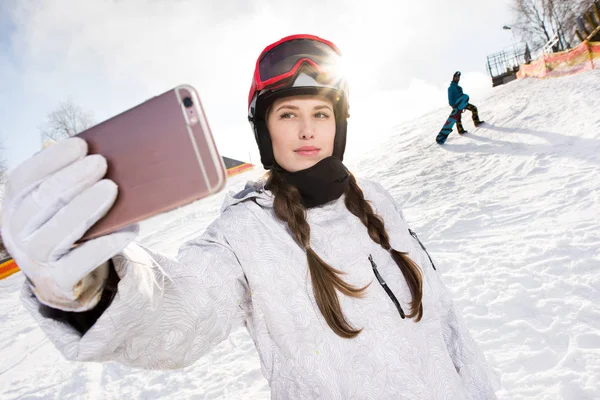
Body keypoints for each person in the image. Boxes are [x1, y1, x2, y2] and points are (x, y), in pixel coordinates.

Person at [1, 34, 498, 399]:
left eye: (320, 113)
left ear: (339, 125)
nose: (307, 129)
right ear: (265, 131)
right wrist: (93, 287)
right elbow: (178, 316)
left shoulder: (377, 199)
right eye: (287, 114)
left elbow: (445, 324)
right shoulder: (245, 234)